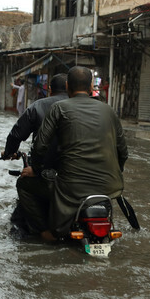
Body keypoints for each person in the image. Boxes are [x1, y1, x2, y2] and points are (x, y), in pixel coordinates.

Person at [28, 66, 128, 241]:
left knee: (24, 185)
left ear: (67, 87)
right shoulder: (109, 111)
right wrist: (115, 173)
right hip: (109, 187)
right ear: (91, 87)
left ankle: (46, 232)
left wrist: (36, 170)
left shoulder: (58, 108)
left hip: (71, 188)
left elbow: (40, 147)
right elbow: (123, 152)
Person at [1, 74, 69, 236]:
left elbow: (16, 135)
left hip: (48, 176)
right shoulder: (90, 110)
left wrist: (10, 153)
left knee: (23, 188)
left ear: (50, 89)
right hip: (82, 178)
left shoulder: (39, 106)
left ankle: (41, 231)